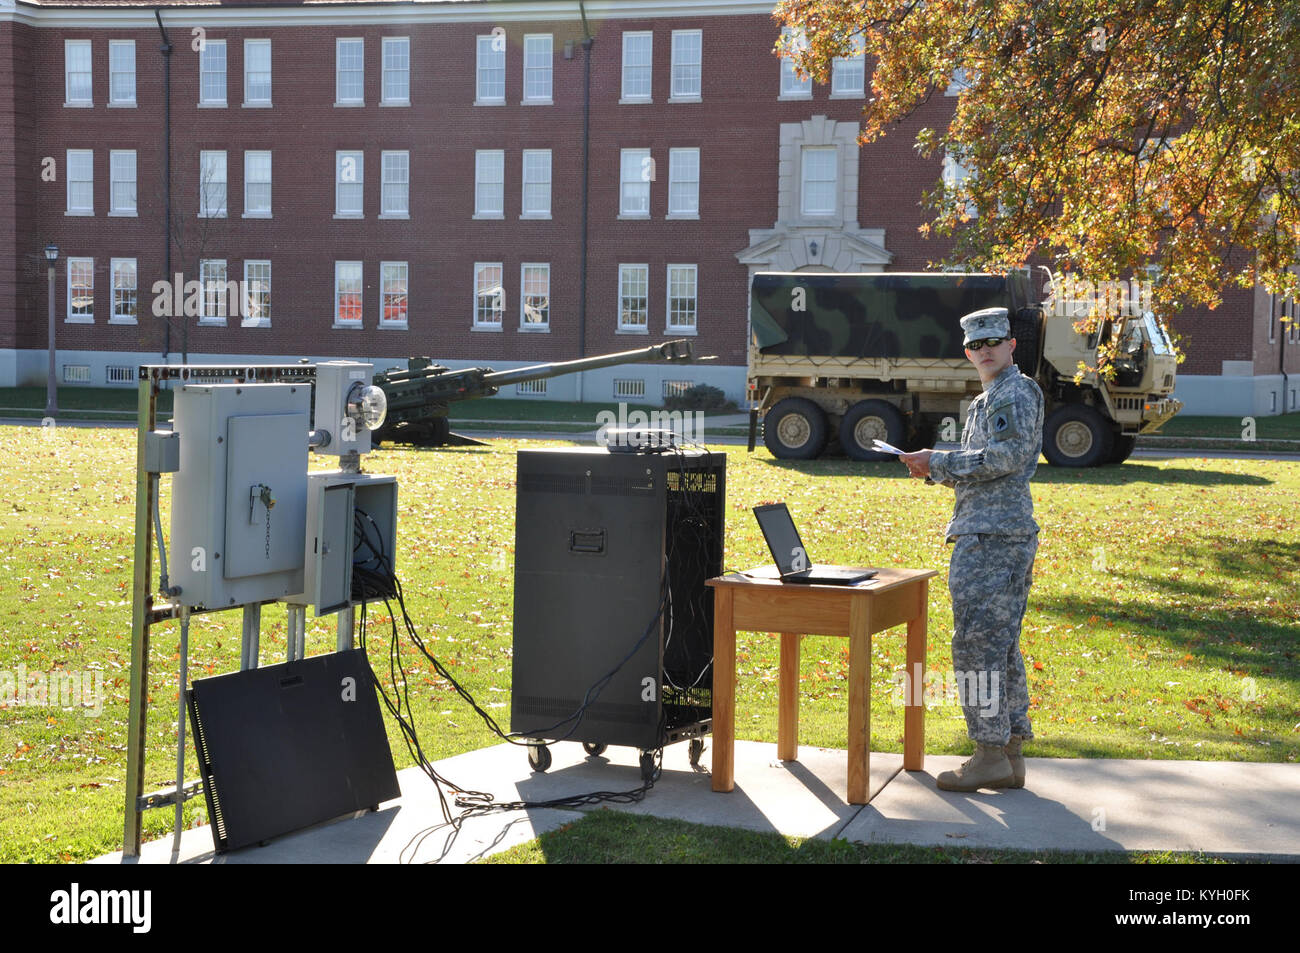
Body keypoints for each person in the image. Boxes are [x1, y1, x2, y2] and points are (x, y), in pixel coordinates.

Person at [898, 306, 1044, 792]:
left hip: (993, 540)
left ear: (1011, 345)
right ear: (967, 351)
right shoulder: (991, 398)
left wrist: (939, 461)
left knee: (977, 647)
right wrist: (933, 468)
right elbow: (985, 470)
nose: (983, 351)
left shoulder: (1012, 392)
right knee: (1000, 648)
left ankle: (988, 754)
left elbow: (1008, 456)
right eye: (974, 346)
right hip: (990, 530)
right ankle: (1008, 755)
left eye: (992, 343)